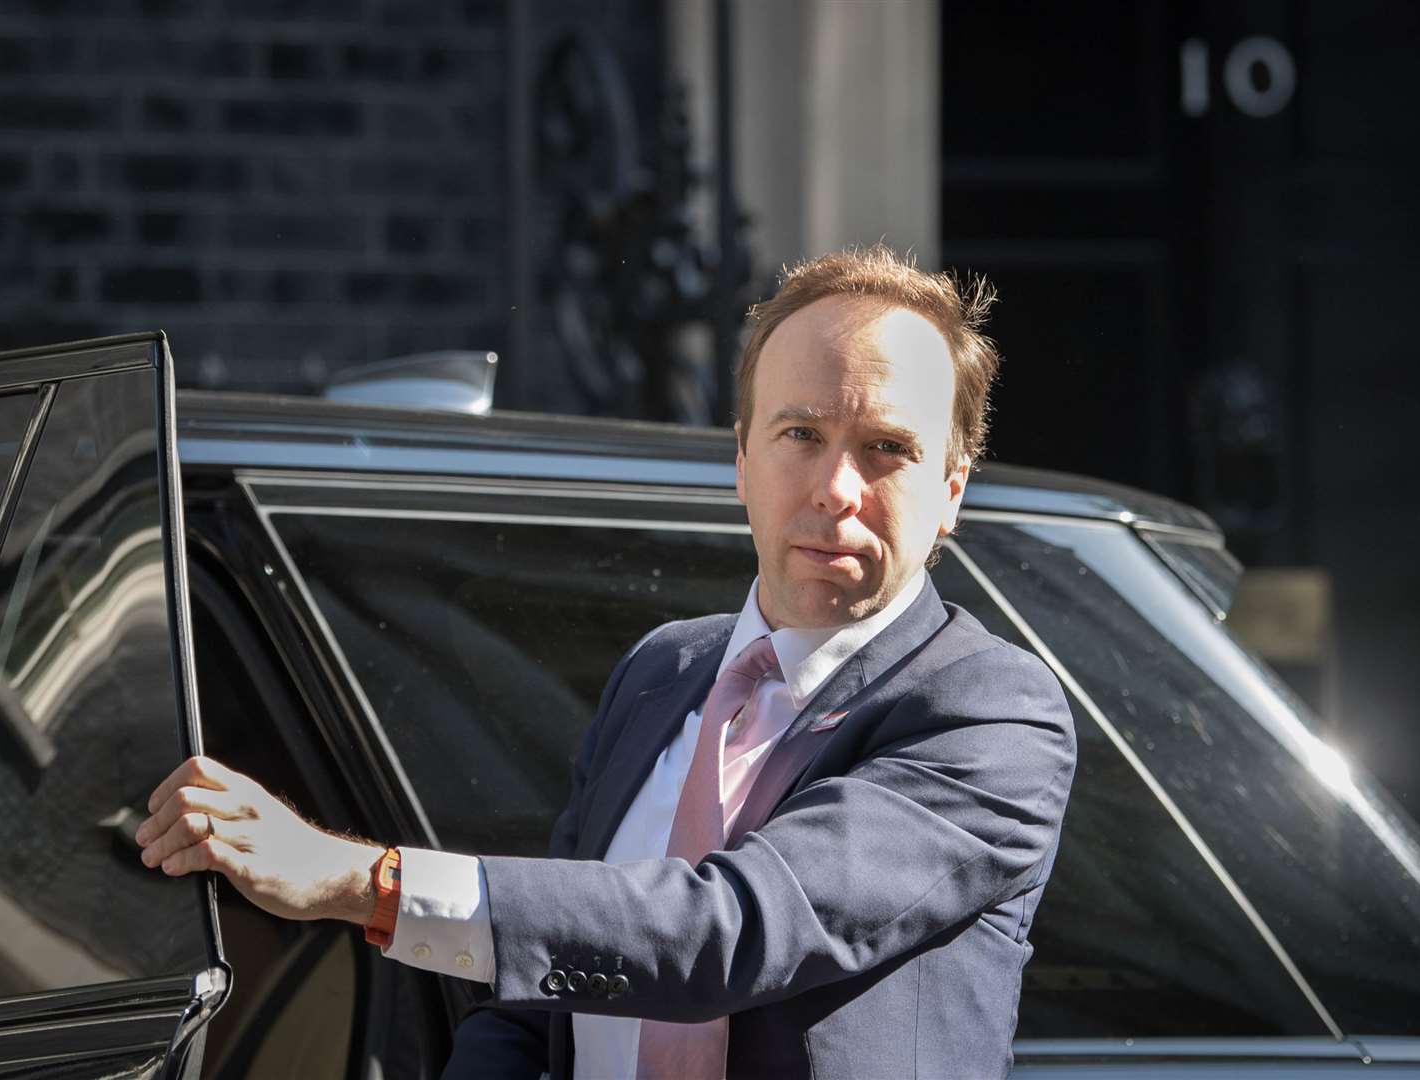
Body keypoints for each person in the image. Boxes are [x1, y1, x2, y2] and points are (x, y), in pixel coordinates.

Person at [137, 245, 1077, 1079]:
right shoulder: (663, 671)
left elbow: (730, 930)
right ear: (741, 457)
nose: (837, 488)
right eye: (801, 434)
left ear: (951, 490)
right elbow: (537, 993)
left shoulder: (990, 708)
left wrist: (357, 881)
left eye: (887, 450)